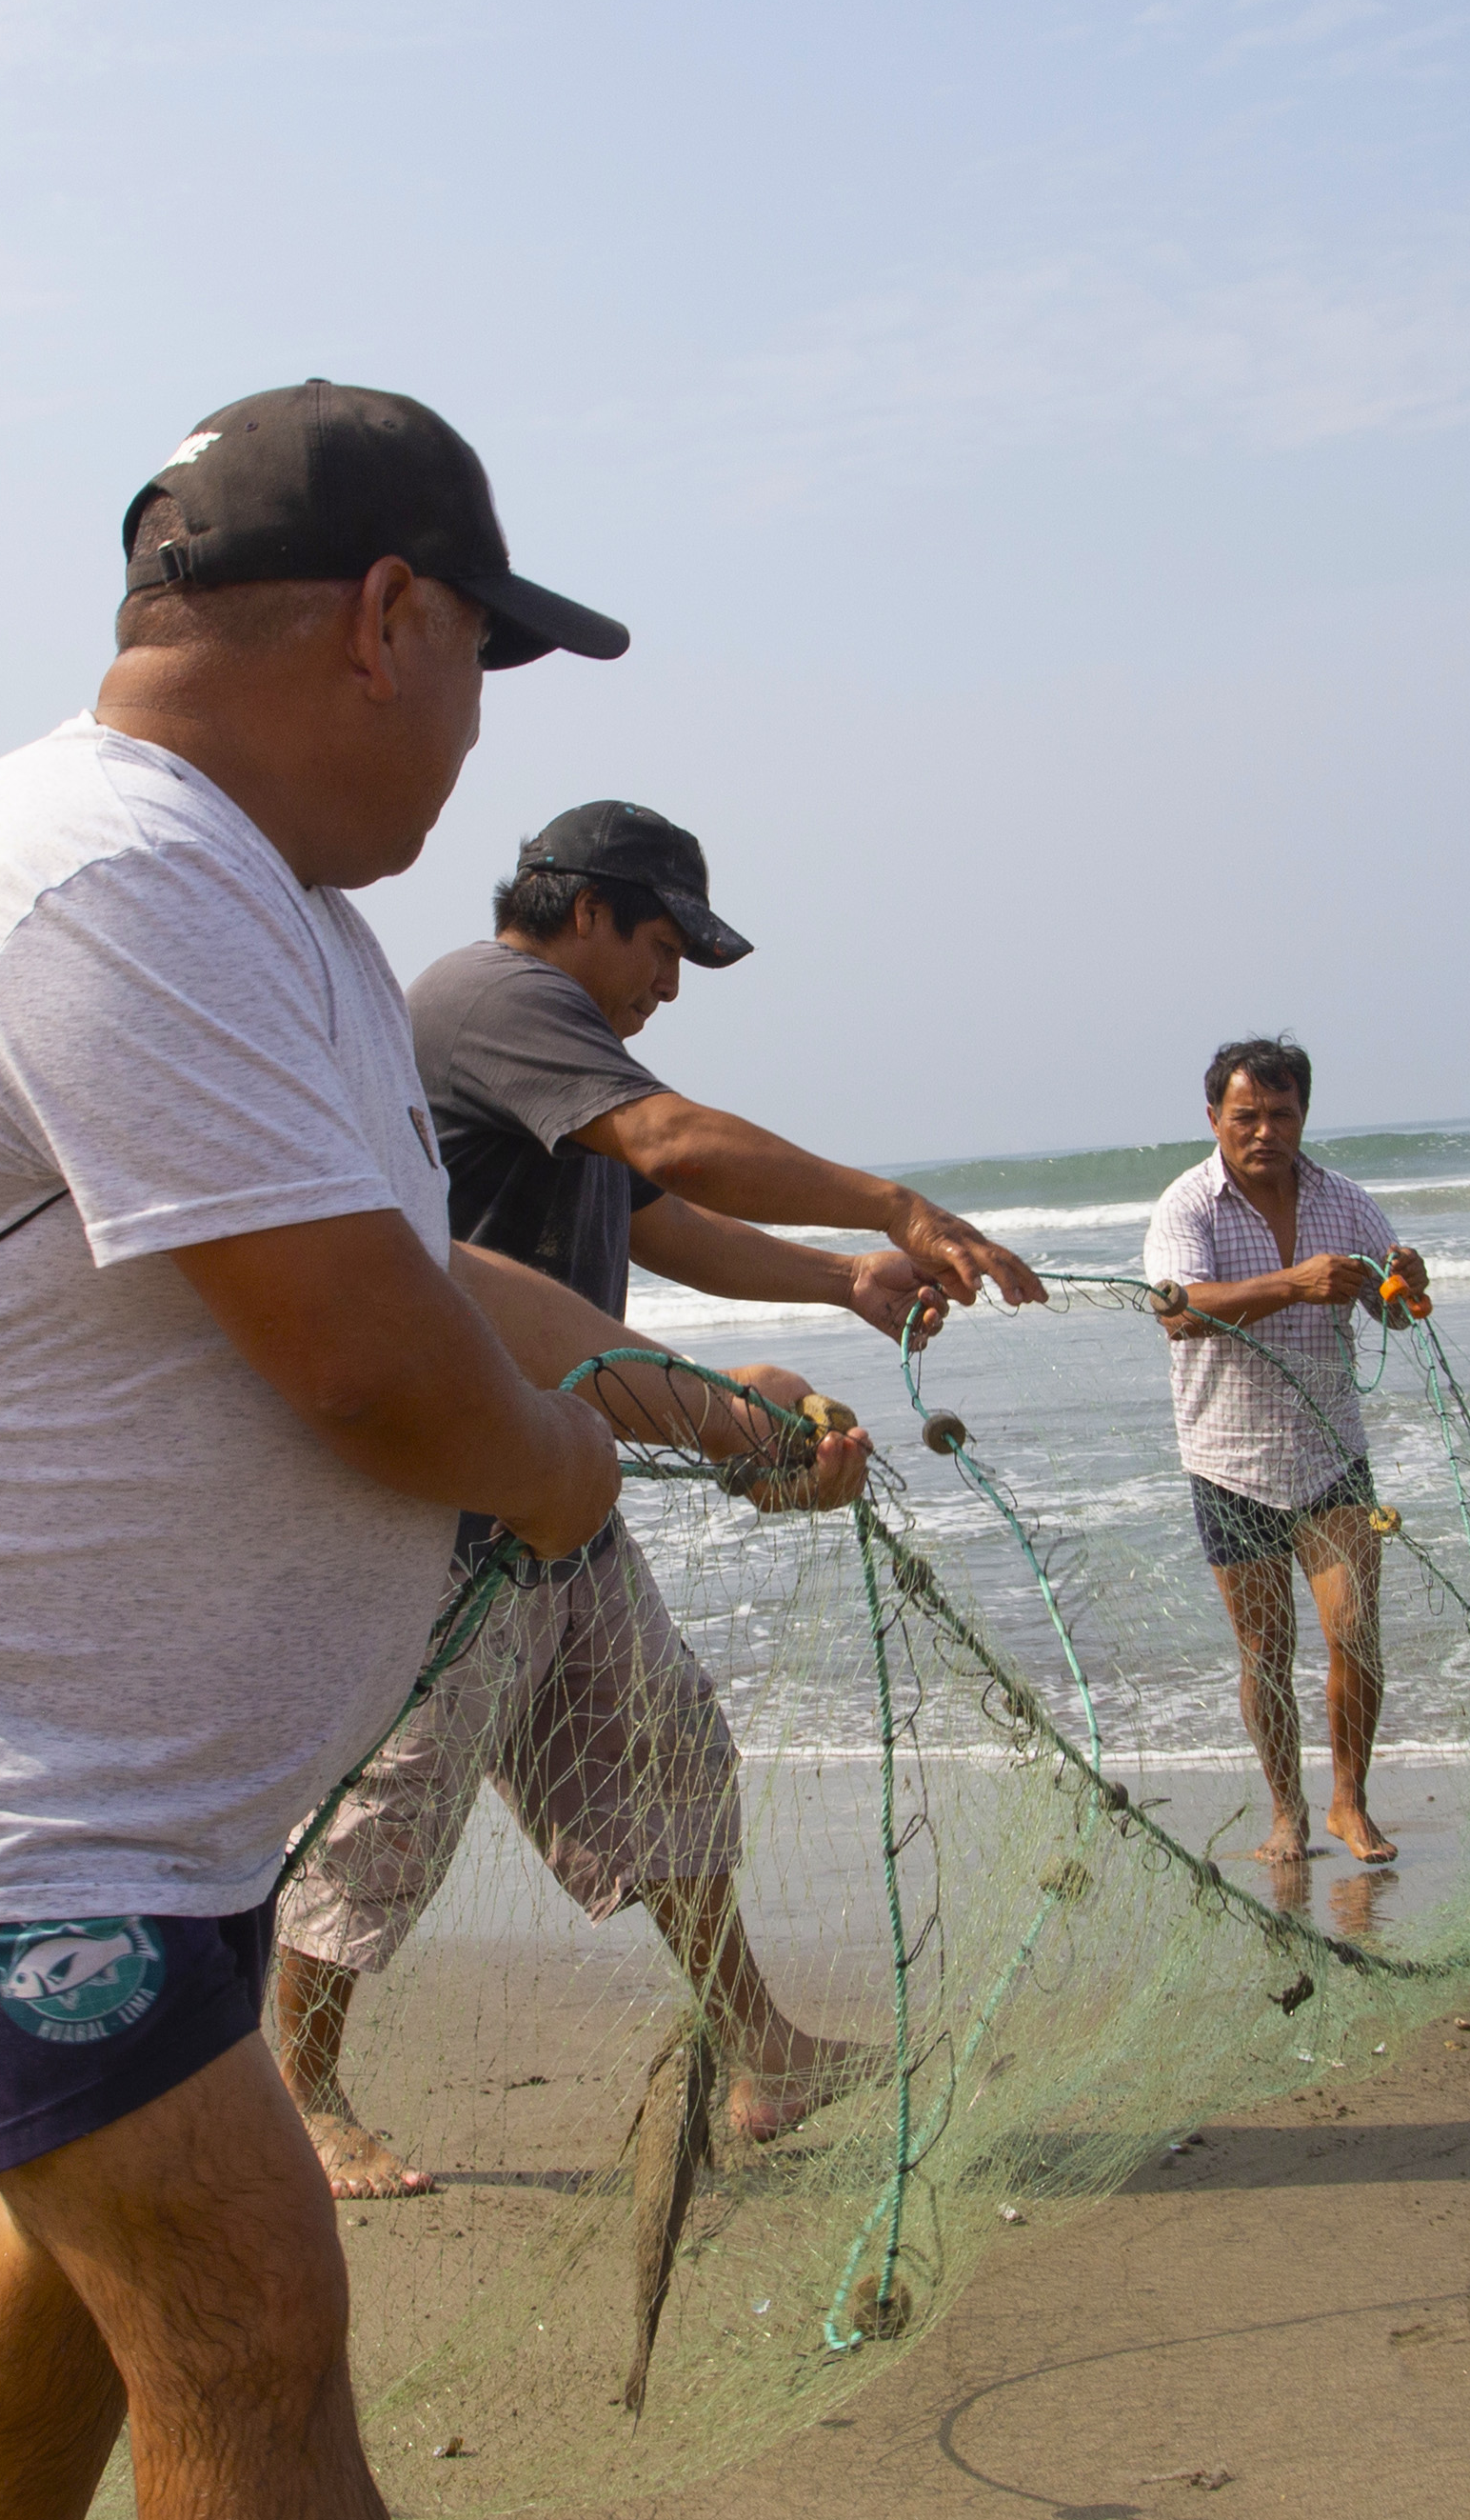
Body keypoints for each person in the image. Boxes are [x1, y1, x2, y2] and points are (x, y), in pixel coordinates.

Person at [0, 381, 665, 2520]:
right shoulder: (104, 869)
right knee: (244, 2307)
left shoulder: (282, 920)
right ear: (385, 618)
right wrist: (554, 1478)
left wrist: (671, 1392)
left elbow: (412, 1278)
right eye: (479, 674)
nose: (469, 741)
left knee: (95, 2251)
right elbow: (364, 1366)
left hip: (127, 1785)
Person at [269, 800, 1048, 2199]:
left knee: (668, 1749)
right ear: (581, 908)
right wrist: (892, 1205)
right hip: (448, 1500)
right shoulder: (494, 997)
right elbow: (678, 1145)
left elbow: (657, 1218)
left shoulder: (550, 1059)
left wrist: (838, 1275)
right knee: (394, 1810)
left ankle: (764, 2046)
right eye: (662, 944)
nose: (670, 985)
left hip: (554, 1488)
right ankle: (301, 2092)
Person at [1141, 1036, 1429, 1870]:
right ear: (1214, 1119)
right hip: (1228, 1459)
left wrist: (1405, 1282)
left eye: (1282, 1114)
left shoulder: (1346, 1202)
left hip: (1332, 1455)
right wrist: (1295, 1284)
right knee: (1266, 1653)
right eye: (1247, 1116)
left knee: (1356, 1634)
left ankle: (1349, 1802)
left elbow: (1401, 1315)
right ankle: (1285, 1815)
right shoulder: (1186, 1205)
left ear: (1305, 1115)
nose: (1264, 1130)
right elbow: (1179, 1311)